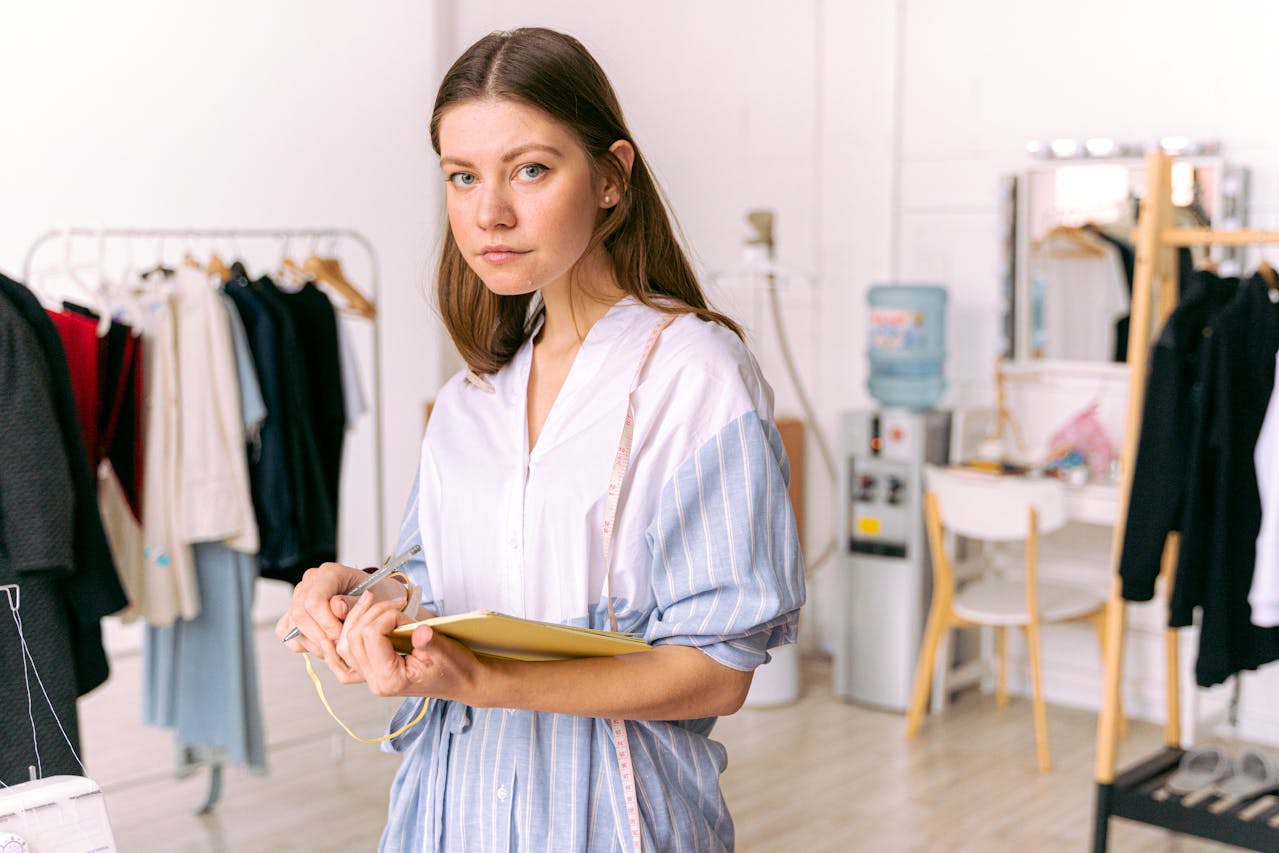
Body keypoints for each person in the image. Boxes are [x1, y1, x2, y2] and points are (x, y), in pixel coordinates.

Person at [277, 26, 805, 852]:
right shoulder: (468, 399)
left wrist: (484, 679)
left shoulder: (695, 375)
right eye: (462, 176)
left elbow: (717, 668)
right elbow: (434, 580)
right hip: (445, 814)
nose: (489, 212)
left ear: (609, 177)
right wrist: (366, 595)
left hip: (612, 821)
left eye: (530, 169)